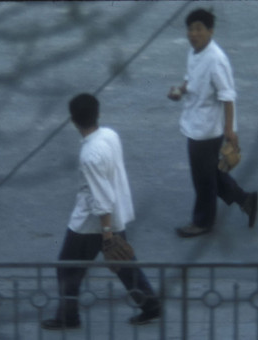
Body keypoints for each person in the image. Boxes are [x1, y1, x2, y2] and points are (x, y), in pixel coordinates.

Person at [41, 93, 161, 330]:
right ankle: (150, 305)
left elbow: (102, 199)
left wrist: (106, 236)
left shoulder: (90, 155)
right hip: (114, 218)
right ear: (97, 114)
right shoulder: (109, 135)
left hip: (91, 222)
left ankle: (68, 317)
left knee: (67, 268)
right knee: (124, 263)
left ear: (73, 121)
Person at [167, 9, 258, 237]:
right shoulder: (194, 52)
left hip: (207, 131)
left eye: (199, 29)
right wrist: (180, 90)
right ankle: (246, 199)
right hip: (194, 123)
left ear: (211, 31)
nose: (193, 34)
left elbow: (228, 96)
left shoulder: (216, 59)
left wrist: (230, 131)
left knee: (203, 179)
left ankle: (203, 222)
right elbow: (190, 79)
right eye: (190, 29)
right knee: (211, 174)